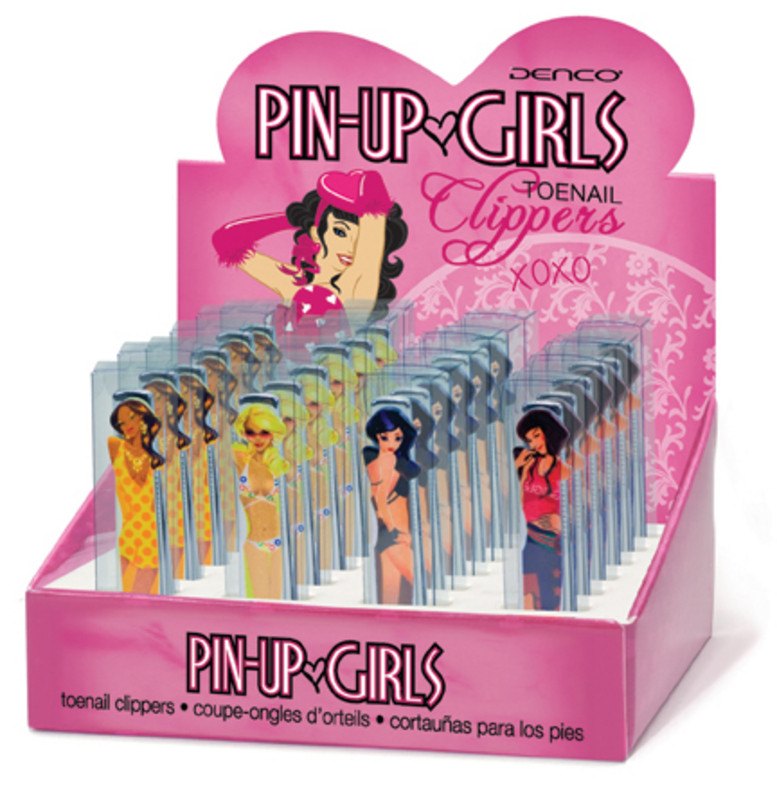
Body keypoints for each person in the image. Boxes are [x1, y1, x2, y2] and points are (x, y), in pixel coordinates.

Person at [212, 169, 407, 327]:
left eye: (360, 239)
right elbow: (226, 240)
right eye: (340, 232)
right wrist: (294, 218)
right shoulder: (292, 280)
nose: (352, 247)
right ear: (316, 232)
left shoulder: (357, 284)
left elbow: (373, 189)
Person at [108, 393, 166, 594]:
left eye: (132, 417)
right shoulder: (115, 446)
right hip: (129, 536)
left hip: (154, 537)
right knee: (129, 596)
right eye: (121, 423)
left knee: (149, 598)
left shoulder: (158, 455)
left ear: (143, 416)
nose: (127, 425)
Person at [363, 407, 421, 605]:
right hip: (395, 535)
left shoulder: (377, 460)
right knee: (417, 583)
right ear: (376, 436)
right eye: (384, 437)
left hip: (387, 536)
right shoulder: (388, 459)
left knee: (391, 595)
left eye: (397, 438)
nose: (391, 443)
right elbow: (380, 499)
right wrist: (393, 529)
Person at [514, 408, 570, 611]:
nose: (534, 444)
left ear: (549, 432)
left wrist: (563, 523)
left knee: (551, 598)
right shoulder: (529, 465)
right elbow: (520, 500)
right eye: (529, 440)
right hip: (531, 539)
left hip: (553, 543)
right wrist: (518, 470)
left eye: (537, 435)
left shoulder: (564, 469)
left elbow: (579, 504)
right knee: (528, 595)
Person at [232, 403, 290, 599]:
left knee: (278, 603)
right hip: (255, 543)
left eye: (264, 432)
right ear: (244, 433)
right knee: (259, 601)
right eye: (251, 432)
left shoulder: (277, 462)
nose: (257, 438)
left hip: (278, 542)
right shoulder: (241, 458)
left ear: (273, 433)